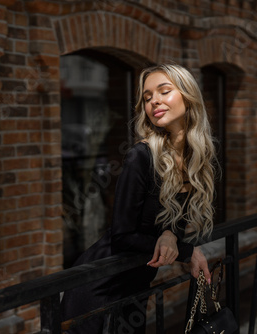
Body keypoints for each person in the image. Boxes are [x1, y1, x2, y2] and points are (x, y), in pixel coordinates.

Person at [61, 63, 217, 333]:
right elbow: (122, 235)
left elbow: (174, 224)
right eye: (147, 97)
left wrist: (169, 234)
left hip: (135, 286)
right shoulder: (141, 156)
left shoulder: (194, 159)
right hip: (100, 287)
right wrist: (187, 250)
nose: (154, 100)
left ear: (188, 96)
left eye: (164, 91)